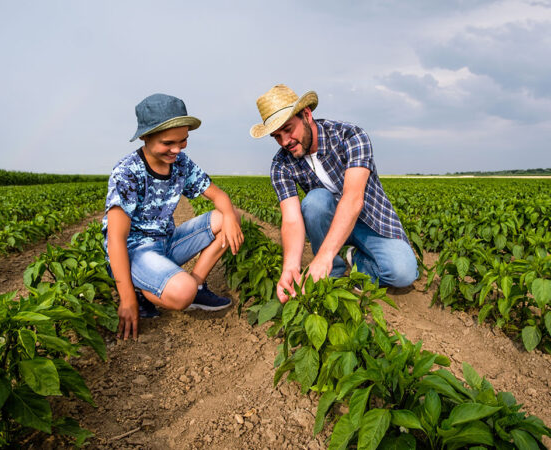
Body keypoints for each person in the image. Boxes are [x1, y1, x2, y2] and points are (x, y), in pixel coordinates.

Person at [249, 84, 417, 303]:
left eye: (288, 129)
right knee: (315, 202)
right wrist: (289, 268)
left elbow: (353, 200)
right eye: (277, 136)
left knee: (402, 272)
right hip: (329, 222)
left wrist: (322, 257)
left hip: (369, 222)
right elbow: (291, 219)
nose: (285, 141)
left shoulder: (350, 136)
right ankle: (334, 270)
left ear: (307, 115)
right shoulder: (281, 164)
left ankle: (353, 258)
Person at [104, 93, 244, 339]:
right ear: (146, 136)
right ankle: (138, 291)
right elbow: (116, 239)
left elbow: (219, 196)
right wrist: (126, 299)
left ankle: (198, 286)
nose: (177, 149)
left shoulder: (180, 163)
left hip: (167, 243)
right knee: (182, 292)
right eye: (168, 143)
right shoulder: (127, 172)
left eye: (183, 141)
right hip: (136, 253)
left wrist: (231, 217)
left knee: (229, 216)